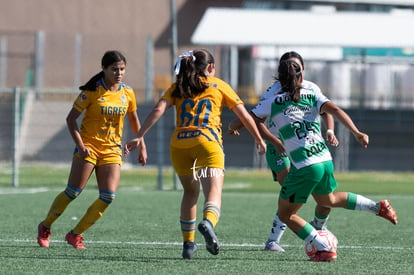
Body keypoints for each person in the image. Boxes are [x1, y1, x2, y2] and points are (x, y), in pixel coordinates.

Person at [250, 53, 398, 262]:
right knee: (325, 199)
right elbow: (333, 109)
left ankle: (320, 242)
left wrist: (329, 130)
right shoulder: (286, 92)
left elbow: (251, 118)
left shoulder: (297, 92)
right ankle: (377, 207)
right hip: (307, 153)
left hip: (303, 158)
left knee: (287, 211)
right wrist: (356, 132)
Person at [124, 49, 266, 259]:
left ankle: (188, 245)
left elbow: (158, 110)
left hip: (179, 145)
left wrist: (139, 135)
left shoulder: (178, 86)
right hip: (207, 143)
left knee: (190, 193)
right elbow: (244, 116)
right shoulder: (218, 85)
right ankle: (208, 222)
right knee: (213, 192)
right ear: (210, 67)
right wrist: (258, 138)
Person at [228, 51, 339, 252]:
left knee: (322, 195)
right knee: (290, 188)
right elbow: (254, 118)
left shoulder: (311, 87)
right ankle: (273, 241)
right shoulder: (273, 93)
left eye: (296, 66)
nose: (293, 71)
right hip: (278, 146)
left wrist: (330, 130)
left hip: (306, 147)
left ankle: (317, 228)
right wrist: (270, 140)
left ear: (302, 70)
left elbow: (327, 110)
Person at [37, 50, 147, 249]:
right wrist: (80, 145)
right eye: (114, 69)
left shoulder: (127, 92)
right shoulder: (92, 91)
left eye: (122, 69)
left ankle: (75, 234)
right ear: (104, 69)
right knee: (73, 192)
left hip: (113, 149)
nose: (119, 73)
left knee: (108, 197)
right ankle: (45, 226)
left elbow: (134, 119)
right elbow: (71, 119)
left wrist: (141, 145)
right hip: (89, 148)